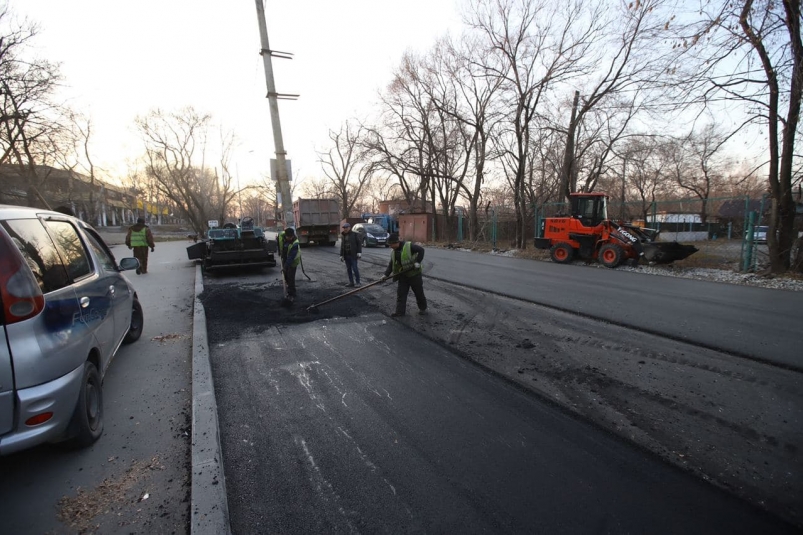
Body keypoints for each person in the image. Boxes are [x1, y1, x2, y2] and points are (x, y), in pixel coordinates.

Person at [384, 233, 427, 317]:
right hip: (403, 275)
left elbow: (421, 250)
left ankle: (423, 308)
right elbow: (391, 264)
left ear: (396, 242)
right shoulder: (394, 252)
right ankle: (400, 312)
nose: (390, 246)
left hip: (414, 275)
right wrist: (385, 275)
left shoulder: (408, 246)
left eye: (391, 244)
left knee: (418, 293)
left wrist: (417, 262)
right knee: (401, 294)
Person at [339, 222, 362, 287]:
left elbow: (359, 243)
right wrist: (341, 255)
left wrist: (359, 252)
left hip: (353, 255)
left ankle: (358, 282)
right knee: (348, 269)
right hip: (346, 255)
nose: (345, 229)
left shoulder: (354, 234)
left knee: (355, 269)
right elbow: (342, 246)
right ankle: (351, 282)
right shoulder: (343, 235)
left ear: (349, 228)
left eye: (346, 228)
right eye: (344, 228)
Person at [280, 227, 301, 299]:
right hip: (285, 259)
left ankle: (292, 293)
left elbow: (291, 257)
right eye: (288, 237)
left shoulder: (295, 244)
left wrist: (285, 267)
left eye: (291, 237)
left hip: (293, 262)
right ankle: (288, 289)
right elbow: (280, 241)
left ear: (293, 235)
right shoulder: (282, 237)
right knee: (286, 276)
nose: (290, 238)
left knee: (291, 277)